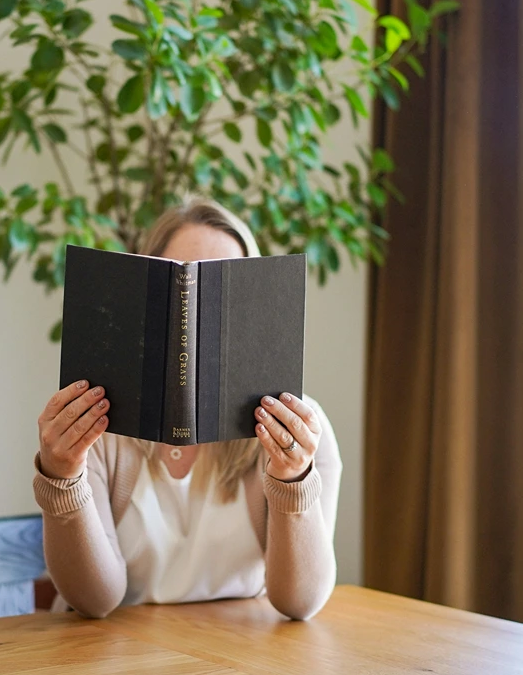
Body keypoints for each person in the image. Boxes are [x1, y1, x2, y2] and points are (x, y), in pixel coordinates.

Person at [32, 198, 342, 620]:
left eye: (219, 286)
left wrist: (292, 479)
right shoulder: (98, 422)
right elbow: (94, 601)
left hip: (240, 655)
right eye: (183, 288)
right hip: (107, 656)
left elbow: (300, 602)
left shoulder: (300, 429)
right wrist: (62, 476)